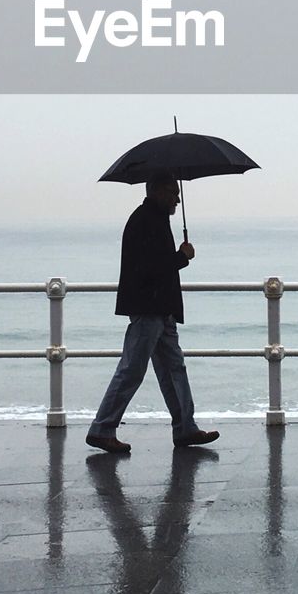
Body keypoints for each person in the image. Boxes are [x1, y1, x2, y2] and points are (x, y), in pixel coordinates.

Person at [86, 172, 220, 453]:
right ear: (158, 191)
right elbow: (151, 268)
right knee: (132, 369)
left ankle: (185, 427)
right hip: (150, 308)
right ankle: (102, 428)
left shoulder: (153, 219)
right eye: (173, 192)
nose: (177, 198)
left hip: (161, 308)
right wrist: (182, 257)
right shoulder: (146, 221)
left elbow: (153, 265)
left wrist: (177, 258)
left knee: (174, 368)